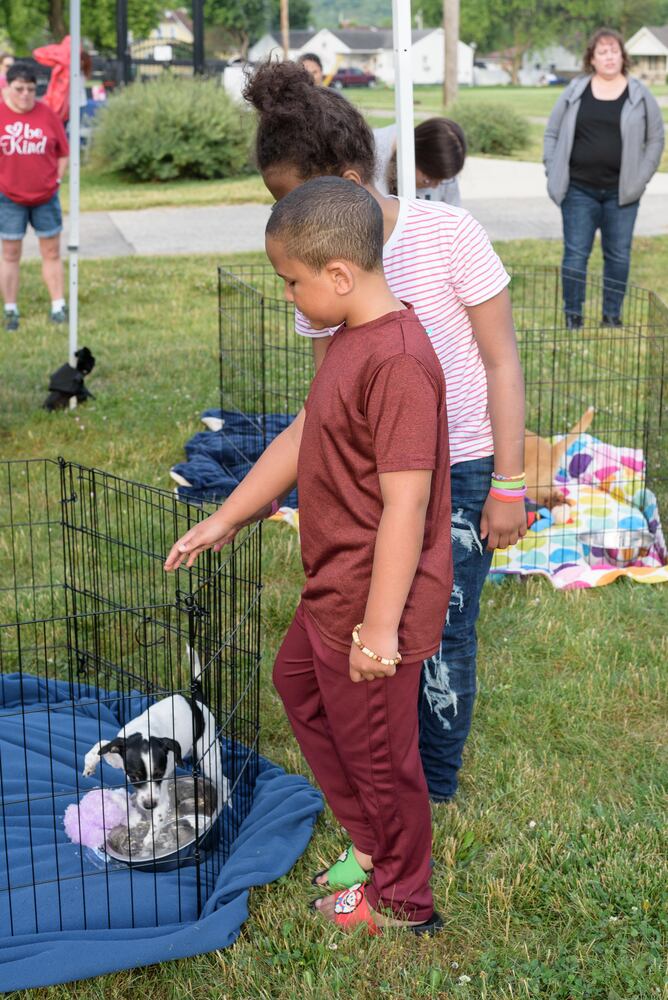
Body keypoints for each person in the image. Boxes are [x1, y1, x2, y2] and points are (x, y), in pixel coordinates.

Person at [166, 176, 451, 934]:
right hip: (333, 588)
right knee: (297, 685)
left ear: (337, 274)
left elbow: (407, 506)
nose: (289, 297)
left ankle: (402, 898)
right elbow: (302, 431)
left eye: (290, 282)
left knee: (383, 755)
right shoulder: (348, 339)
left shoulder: (398, 362)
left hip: (371, 603)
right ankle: (369, 840)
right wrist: (229, 515)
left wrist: (381, 630)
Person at [243, 61, 527, 806]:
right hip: (371, 488)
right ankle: (382, 769)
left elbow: (500, 361)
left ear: (343, 176)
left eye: (291, 196)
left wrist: (508, 482)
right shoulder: (317, 273)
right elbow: (326, 402)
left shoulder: (447, 233)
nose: (283, 216)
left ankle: (432, 784)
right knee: (368, 632)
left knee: (442, 633)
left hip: (460, 473)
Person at [544, 27, 664, 329]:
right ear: (592, 59)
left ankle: (612, 316)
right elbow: (552, 132)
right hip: (578, 190)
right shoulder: (575, 91)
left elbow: (656, 139)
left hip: (622, 194)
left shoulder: (639, 94)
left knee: (619, 257)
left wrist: (642, 178)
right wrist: (551, 167)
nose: (609, 57)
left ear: (622, 56)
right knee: (575, 256)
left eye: (614, 51)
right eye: (603, 52)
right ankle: (573, 316)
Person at [0, 62, 69, 330]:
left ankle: (58, 306)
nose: (26, 95)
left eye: (31, 89)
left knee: (51, 251)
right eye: (20, 89)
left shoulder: (47, 114)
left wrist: (57, 178)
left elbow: (63, 152)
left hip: (45, 196)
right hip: (9, 197)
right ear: (8, 87)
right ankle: (11, 309)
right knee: (10, 253)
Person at [374, 117, 467, 206]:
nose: (434, 187)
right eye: (428, 180)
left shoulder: (445, 169)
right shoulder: (374, 154)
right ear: (412, 157)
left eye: (442, 181)